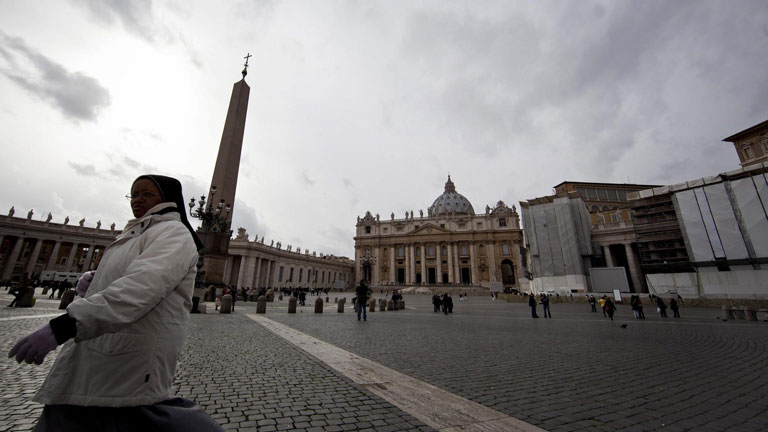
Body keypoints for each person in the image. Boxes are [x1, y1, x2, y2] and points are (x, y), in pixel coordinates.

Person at [7, 175, 222, 432]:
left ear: (166, 198)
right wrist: (97, 281)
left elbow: (140, 288)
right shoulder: (135, 234)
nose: (138, 199)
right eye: (134, 194)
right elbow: (131, 278)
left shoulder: (173, 233)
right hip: (97, 353)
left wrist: (65, 326)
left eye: (146, 194)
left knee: (135, 413)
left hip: (128, 357)